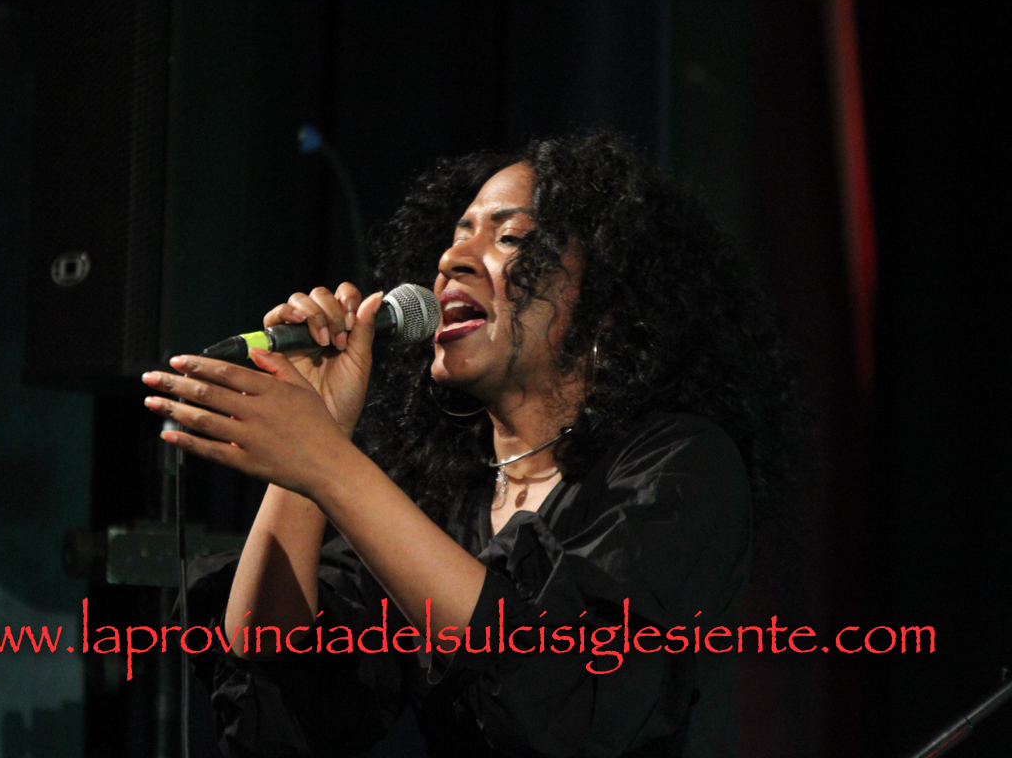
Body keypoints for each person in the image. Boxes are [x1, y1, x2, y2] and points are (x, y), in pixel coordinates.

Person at [141, 130, 804, 757]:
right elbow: (281, 709)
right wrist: (309, 453)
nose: (452, 260)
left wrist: (331, 465)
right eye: (457, 236)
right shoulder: (445, 501)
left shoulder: (680, 466)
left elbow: (566, 701)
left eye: (510, 237)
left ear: (606, 297)